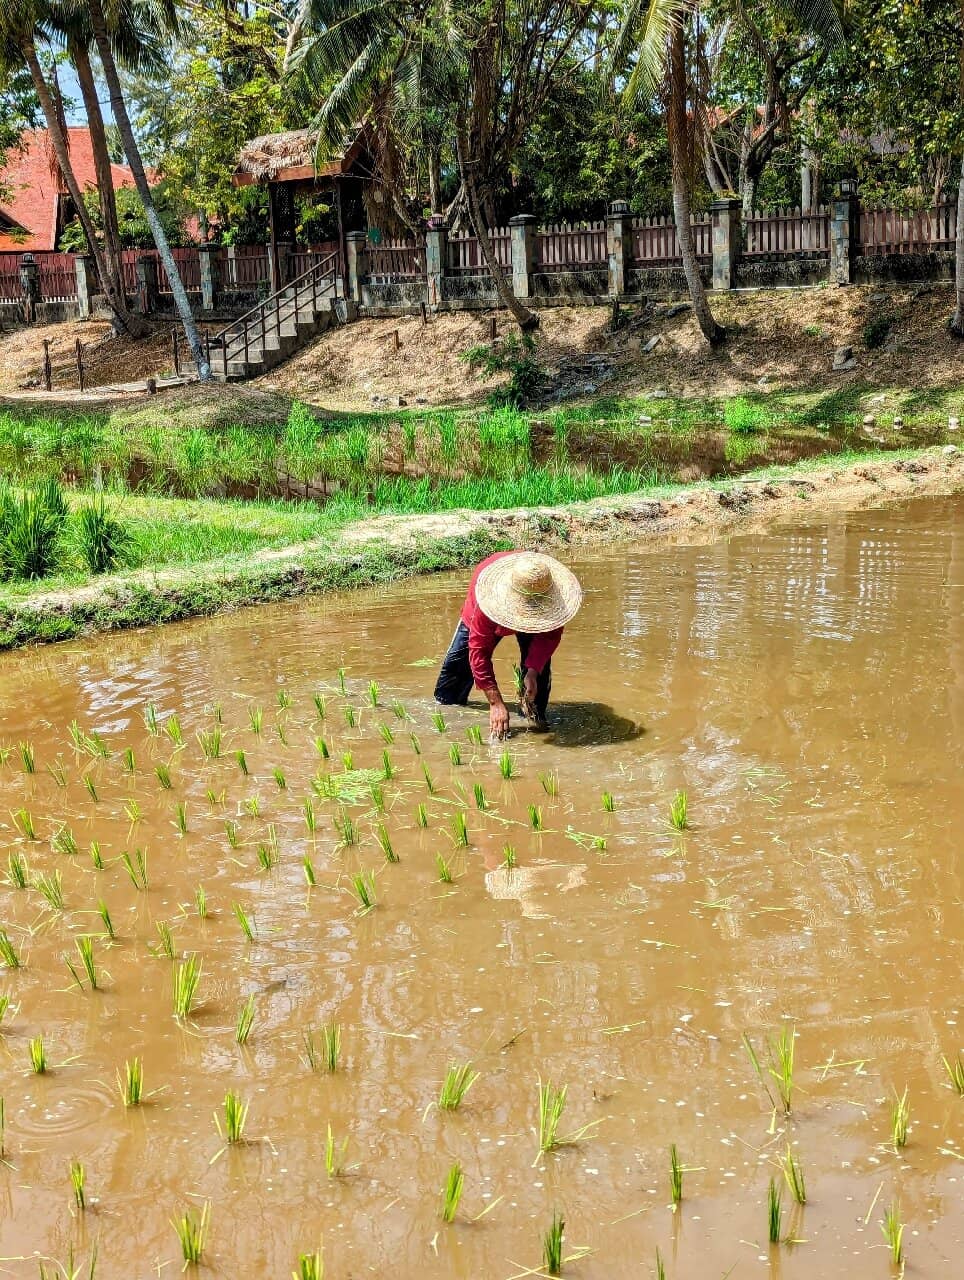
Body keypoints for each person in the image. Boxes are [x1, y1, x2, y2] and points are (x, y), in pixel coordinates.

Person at [434, 550, 583, 739]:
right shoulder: (486, 601)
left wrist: (532, 671)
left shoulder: (553, 599)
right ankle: (446, 712)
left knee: (536, 686)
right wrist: (495, 702)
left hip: (539, 613)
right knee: (452, 682)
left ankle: (532, 722)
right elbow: (479, 652)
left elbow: (549, 637)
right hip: (487, 614)